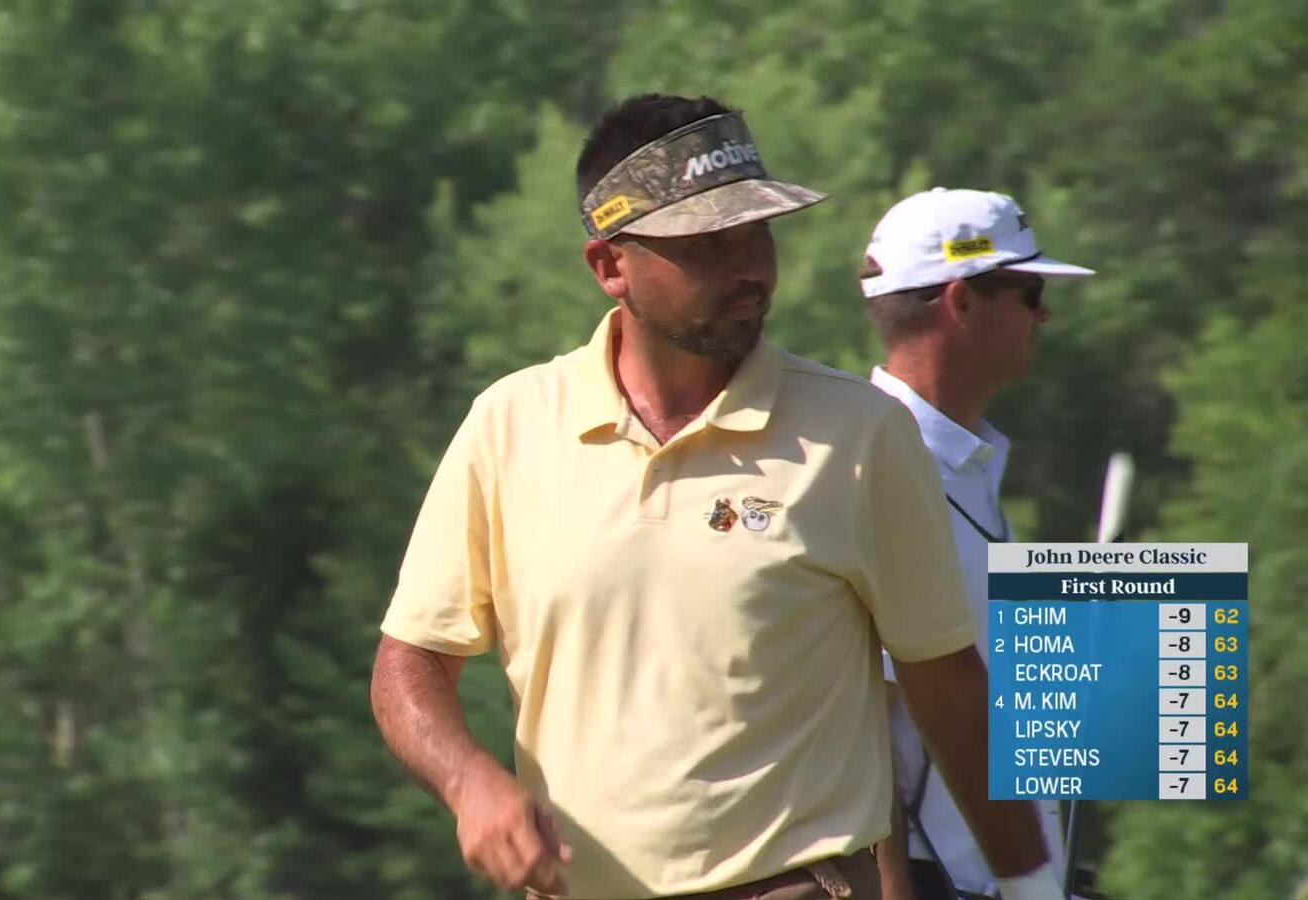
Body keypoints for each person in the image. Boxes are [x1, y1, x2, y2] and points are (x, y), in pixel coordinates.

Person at [370, 95, 1061, 900]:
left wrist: (1033, 884)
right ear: (610, 268)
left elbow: (946, 688)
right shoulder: (510, 423)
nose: (750, 269)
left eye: (759, 234)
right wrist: (471, 787)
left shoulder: (861, 434)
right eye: (709, 244)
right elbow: (409, 663)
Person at [857, 188, 1095, 900]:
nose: (1044, 312)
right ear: (961, 303)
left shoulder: (961, 465)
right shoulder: (878, 470)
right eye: (1028, 292)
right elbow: (865, 733)